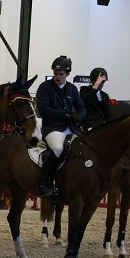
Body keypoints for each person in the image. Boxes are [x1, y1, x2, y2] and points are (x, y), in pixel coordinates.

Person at [35, 55, 86, 197]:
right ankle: (43, 183)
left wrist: (79, 117)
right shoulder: (44, 87)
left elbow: (81, 107)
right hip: (52, 128)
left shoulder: (72, 89)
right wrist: (64, 114)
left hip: (71, 127)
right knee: (58, 148)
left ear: (67, 74)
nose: (57, 77)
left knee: (84, 147)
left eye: (61, 74)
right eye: (55, 74)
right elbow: (43, 109)